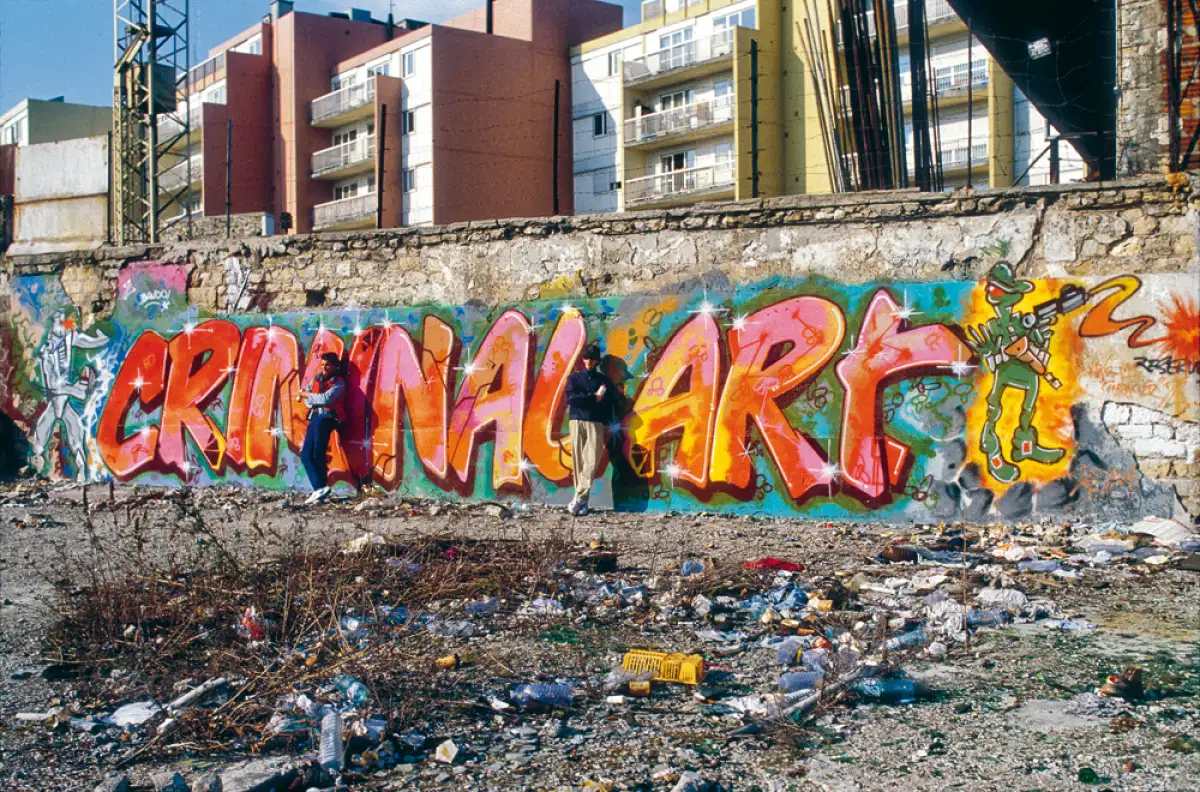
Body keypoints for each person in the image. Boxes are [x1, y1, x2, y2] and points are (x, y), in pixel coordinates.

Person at [564, 344, 615, 516]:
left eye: (592, 359)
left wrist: (606, 421)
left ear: (597, 362)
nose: (588, 361)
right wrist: (594, 398)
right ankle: (583, 502)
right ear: (583, 359)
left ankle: (578, 496)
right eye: (586, 358)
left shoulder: (604, 381)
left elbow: (608, 404)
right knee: (578, 461)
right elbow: (571, 399)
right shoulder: (574, 379)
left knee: (592, 460)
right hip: (577, 420)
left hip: (595, 422)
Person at [298, 352, 346, 505]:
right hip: (315, 417)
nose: (325, 367)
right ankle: (320, 488)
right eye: (323, 364)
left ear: (335, 366)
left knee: (317, 452)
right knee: (306, 454)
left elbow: (326, 399)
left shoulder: (339, 383)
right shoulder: (316, 379)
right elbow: (309, 400)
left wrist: (307, 395)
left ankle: (320, 488)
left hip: (327, 418)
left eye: (328, 365)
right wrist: (310, 398)